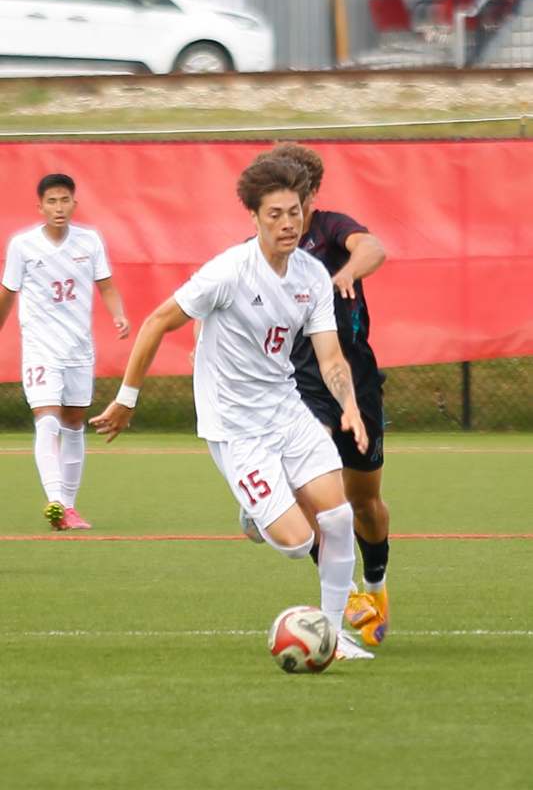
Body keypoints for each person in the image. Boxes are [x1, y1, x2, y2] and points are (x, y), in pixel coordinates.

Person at [89, 155, 373, 661]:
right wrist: (126, 399)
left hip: (286, 410)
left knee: (336, 516)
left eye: (294, 212)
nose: (286, 224)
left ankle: (332, 636)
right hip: (236, 427)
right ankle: (256, 510)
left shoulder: (311, 276)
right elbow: (157, 321)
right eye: (274, 215)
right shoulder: (229, 272)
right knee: (294, 539)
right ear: (254, 217)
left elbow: (330, 355)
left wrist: (348, 405)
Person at [254, 143, 390, 648]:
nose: (291, 212)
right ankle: (346, 596)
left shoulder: (331, 227)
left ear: (311, 194)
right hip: (300, 381)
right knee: (312, 495)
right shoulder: (266, 245)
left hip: (353, 373)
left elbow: (373, 247)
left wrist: (351, 270)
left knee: (364, 500)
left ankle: (375, 585)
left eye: (299, 198)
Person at [0, 173, 129, 530]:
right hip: (41, 348)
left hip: (78, 348)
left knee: (73, 425)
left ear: (74, 203)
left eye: (64, 200)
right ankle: (55, 498)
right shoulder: (23, 245)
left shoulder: (89, 241)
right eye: (51, 201)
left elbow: (106, 286)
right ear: (40, 206)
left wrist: (118, 315)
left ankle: (68, 508)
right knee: (47, 419)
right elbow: (8, 293)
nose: (59, 207)